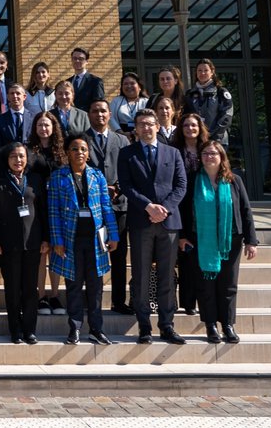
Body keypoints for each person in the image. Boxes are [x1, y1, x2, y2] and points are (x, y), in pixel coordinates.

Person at [117, 107, 188, 345]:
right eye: (141, 124)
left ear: (158, 126)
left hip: (168, 223)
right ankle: (144, 326)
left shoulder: (173, 153)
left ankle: (167, 325)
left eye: (150, 124)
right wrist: (148, 207)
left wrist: (163, 209)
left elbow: (181, 185)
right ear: (135, 129)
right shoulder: (127, 153)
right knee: (141, 274)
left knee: (167, 275)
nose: (146, 128)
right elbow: (126, 186)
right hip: (140, 221)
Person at [180, 140, 259, 344]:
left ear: (221, 157)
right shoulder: (192, 181)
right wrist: (183, 236)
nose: (209, 157)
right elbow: (184, 211)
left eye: (213, 153)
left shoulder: (234, 181)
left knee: (228, 284)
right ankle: (211, 325)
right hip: (201, 240)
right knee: (206, 284)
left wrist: (252, 241)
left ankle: (228, 325)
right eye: (205, 153)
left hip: (230, 240)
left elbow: (245, 211)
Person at [48, 135, 119, 346]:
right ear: (67, 153)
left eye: (83, 149)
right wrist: (57, 241)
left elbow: (106, 207)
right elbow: (53, 212)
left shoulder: (97, 176)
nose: (80, 153)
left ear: (88, 153)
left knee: (96, 286)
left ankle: (97, 329)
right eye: (75, 149)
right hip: (71, 239)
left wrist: (113, 235)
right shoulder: (58, 177)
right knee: (74, 285)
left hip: (95, 239)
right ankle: (75, 328)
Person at [0, 141, 46, 344]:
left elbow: (43, 212)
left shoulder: (36, 180)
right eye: (13, 156)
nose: (18, 160)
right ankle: (15, 329)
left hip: (33, 242)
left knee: (30, 289)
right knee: (12, 289)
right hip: (8, 243)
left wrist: (46, 238)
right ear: (7, 159)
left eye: (21, 156)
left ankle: (30, 329)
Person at [85, 99, 131, 314]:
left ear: (110, 114)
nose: (99, 114)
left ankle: (118, 301)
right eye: (95, 111)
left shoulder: (122, 140)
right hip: (92, 206)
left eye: (103, 111)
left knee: (119, 255)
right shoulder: (82, 139)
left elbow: (129, 169)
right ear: (89, 114)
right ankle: (92, 301)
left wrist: (117, 188)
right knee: (93, 255)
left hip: (119, 205)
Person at [26, 111, 66, 316]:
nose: (43, 128)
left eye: (47, 125)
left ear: (53, 127)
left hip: (58, 207)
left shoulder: (62, 151)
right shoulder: (28, 150)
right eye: (40, 125)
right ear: (35, 127)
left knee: (56, 253)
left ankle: (54, 295)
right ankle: (40, 296)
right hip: (37, 206)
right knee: (42, 253)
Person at [173, 112, 210, 315]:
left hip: (204, 207)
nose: (190, 129)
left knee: (203, 258)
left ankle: (205, 301)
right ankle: (188, 303)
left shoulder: (208, 149)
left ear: (200, 128)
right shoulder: (175, 150)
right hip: (183, 206)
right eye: (186, 125)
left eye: (194, 125)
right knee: (186, 258)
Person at [185, 58, 234, 145]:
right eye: (199, 70)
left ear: (212, 72)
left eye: (206, 70)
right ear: (196, 73)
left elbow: (227, 116)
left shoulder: (220, 92)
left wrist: (212, 135)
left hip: (218, 141)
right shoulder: (190, 94)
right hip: (196, 140)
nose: (202, 73)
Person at [0, 83, 35, 149]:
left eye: (18, 93)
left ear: (24, 97)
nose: (15, 96)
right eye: (12, 93)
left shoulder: (34, 118)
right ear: (8, 97)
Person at [67, 47, 105, 113]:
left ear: (87, 61)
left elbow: (98, 105)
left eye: (81, 59)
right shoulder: (67, 82)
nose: (77, 61)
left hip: (88, 120)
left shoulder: (95, 81)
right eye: (74, 58)